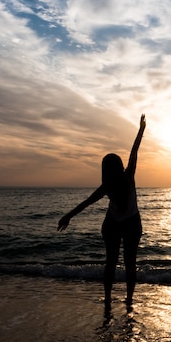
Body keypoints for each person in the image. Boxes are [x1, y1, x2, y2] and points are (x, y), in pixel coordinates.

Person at [58, 114, 146, 310]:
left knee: (129, 262)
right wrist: (68, 216)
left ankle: (128, 300)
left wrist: (141, 130)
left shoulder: (128, 175)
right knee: (113, 262)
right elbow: (87, 202)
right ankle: (109, 300)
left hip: (131, 221)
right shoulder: (107, 185)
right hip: (113, 222)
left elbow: (134, 150)